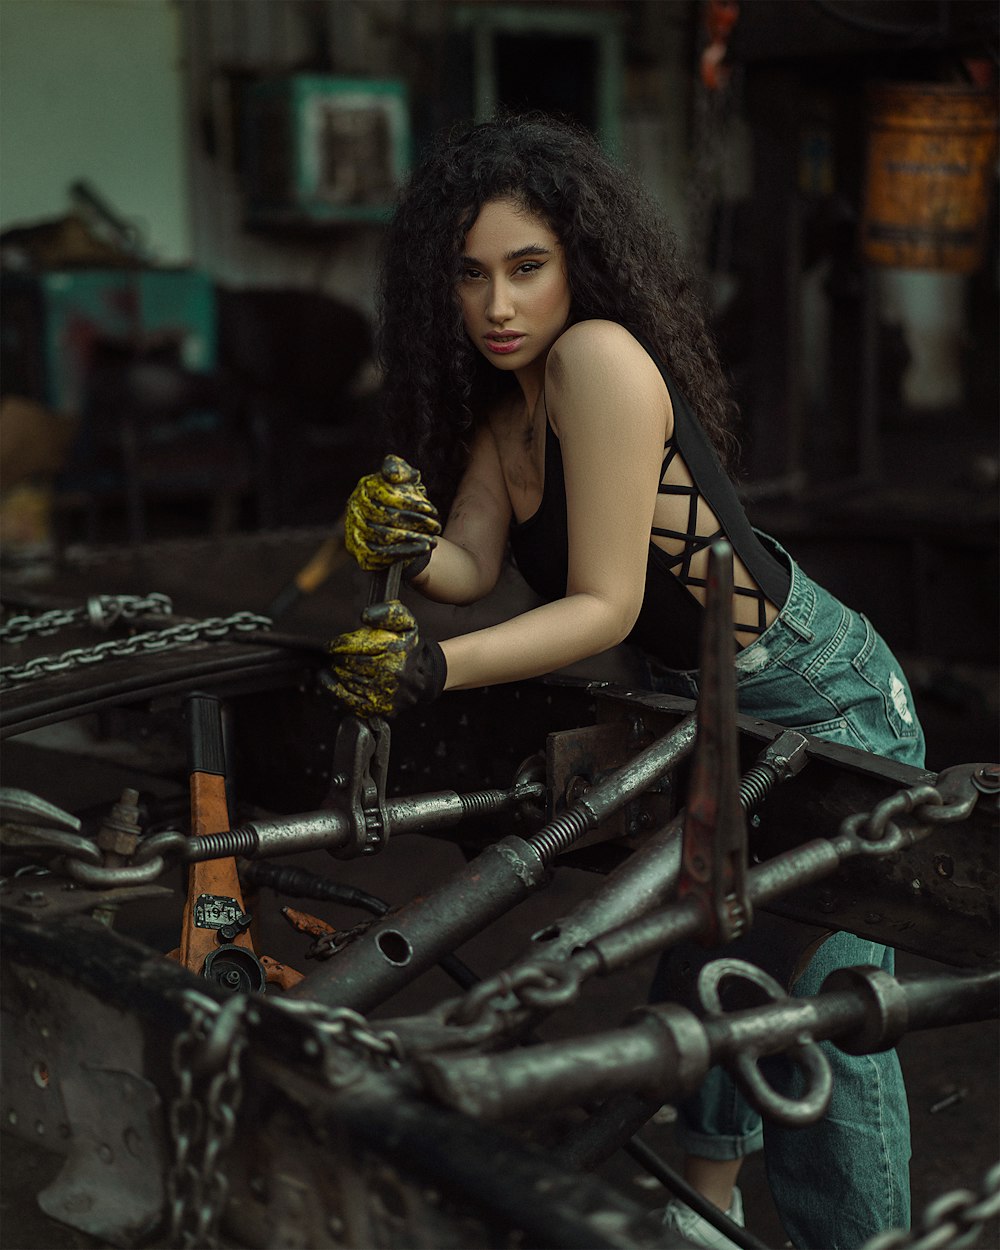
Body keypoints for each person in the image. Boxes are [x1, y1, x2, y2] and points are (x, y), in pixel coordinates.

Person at [324, 114, 924, 1250]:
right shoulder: (509, 415)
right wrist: (392, 541)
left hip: (817, 694)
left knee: (823, 1019)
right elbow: (466, 563)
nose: (496, 304)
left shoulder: (599, 361)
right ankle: (705, 1210)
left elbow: (598, 603)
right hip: (698, 699)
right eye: (468, 275)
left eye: (525, 268)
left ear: (576, 265)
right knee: (709, 964)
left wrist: (431, 668)